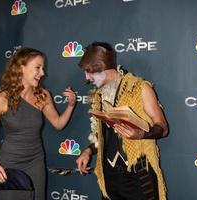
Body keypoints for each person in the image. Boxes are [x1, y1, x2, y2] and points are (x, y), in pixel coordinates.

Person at [76, 42, 168, 200]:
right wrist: (88, 151)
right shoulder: (98, 96)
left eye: (90, 71)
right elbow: (105, 137)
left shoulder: (140, 88)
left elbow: (163, 127)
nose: (86, 77)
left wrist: (141, 134)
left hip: (139, 174)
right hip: (109, 176)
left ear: (104, 67)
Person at [0, 47, 76, 200]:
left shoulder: (43, 95)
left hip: (35, 162)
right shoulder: (1, 99)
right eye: (37, 68)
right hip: (9, 164)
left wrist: (71, 105)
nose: (42, 73)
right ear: (20, 68)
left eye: (43, 68)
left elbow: (58, 123)